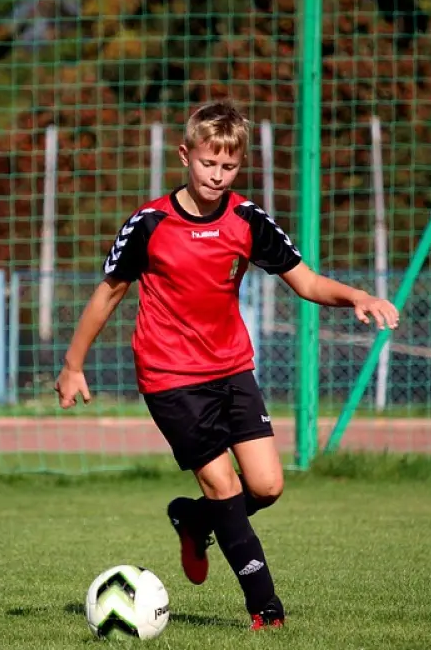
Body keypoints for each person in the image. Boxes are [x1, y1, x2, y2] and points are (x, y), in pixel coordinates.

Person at [54, 100, 400, 630]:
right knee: (224, 487)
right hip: (171, 378)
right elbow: (109, 293)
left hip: (232, 368)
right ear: (185, 156)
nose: (217, 175)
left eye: (229, 166)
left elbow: (305, 281)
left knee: (267, 486)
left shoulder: (247, 219)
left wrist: (357, 295)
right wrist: (73, 364)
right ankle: (266, 609)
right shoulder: (150, 223)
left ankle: (194, 520)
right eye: (208, 163)